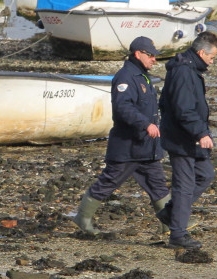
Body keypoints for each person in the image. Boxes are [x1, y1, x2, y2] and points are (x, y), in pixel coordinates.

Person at [73, 36, 171, 235]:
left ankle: (171, 226)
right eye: (151, 56)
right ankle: (82, 218)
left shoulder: (142, 76)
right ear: (138, 54)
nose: (155, 60)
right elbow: (123, 107)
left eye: (155, 56)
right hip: (127, 147)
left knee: (158, 185)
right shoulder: (125, 77)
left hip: (147, 147)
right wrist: (146, 125)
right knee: (108, 182)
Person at [156, 31, 217, 249]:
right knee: (184, 185)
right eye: (212, 58)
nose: (212, 63)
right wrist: (201, 133)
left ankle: (171, 213)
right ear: (202, 53)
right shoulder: (183, 71)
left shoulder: (191, 69)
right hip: (181, 137)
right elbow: (184, 109)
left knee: (205, 174)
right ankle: (177, 234)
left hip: (190, 136)